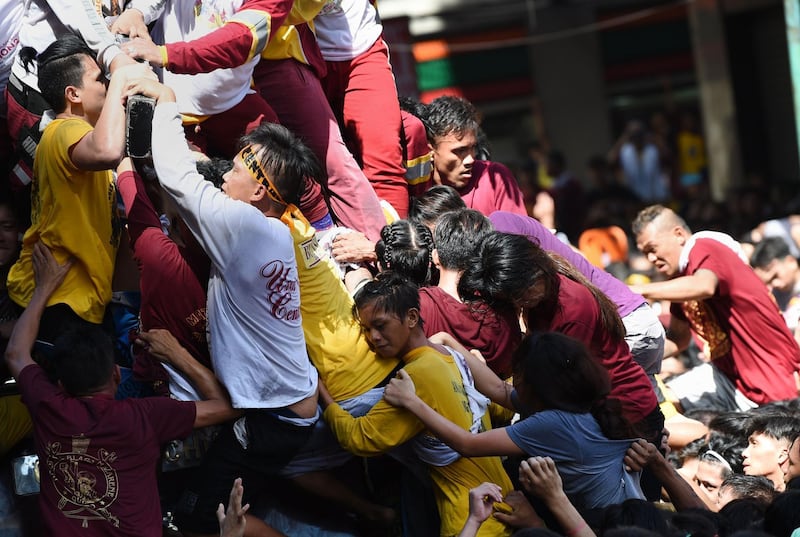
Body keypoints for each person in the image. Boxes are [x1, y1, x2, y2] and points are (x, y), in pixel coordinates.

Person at [134, 77, 319, 537]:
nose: (224, 174)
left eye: (236, 168)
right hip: (290, 407)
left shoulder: (243, 225)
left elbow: (179, 180)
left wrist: (168, 102)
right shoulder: (276, 230)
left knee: (204, 516)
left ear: (260, 191)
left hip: (273, 415)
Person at [5, 241, 236, 537]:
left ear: (60, 385)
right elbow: (226, 407)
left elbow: (16, 353)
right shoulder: (145, 415)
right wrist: (177, 354)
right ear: (116, 374)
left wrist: (43, 288)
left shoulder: (48, 406)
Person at [320, 272, 514, 537]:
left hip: (470, 522)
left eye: (380, 325)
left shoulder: (413, 380)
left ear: (411, 318)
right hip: (504, 509)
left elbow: (359, 438)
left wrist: (323, 393)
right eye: (366, 330)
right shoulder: (450, 356)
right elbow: (496, 407)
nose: (373, 337)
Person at [385, 331, 645, 512]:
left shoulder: (553, 424)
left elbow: (468, 444)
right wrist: (449, 344)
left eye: (518, 372)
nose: (513, 378)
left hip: (607, 522)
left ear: (534, 381)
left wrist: (412, 401)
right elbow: (500, 390)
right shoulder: (572, 404)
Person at [7, 36, 152, 341]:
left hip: (73, 300)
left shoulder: (80, 136)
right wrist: (123, 76)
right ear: (73, 94)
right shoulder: (65, 129)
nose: (108, 85)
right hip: (60, 301)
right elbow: (107, 151)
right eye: (101, 79)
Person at [458, 231, 661, 437]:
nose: (519, 302)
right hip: (599, 411)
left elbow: (557, 391)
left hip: (627, 414)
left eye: (520, 295)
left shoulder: (572, 308)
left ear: (536, 273)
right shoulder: (542, 295)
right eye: (513, 298)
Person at [630, 205, 800, 411]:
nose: (650, 259)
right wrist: (628, 359)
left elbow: (705, 286)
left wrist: (634, 291)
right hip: (728, 377)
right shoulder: (679, 281)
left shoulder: (704, 246)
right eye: (644, 253)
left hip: (773, 383)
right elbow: (678, 338)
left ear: (679, 235)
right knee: (661, 404)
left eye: (652, 248)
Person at [423, 95, 526, 217]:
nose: (470, 159)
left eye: (472, 148)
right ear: (430, 150)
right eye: (460, 151)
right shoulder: (417, 190)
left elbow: (518, 233)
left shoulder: (494, 178)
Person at [749, 237, 800, 342]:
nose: (774, 284)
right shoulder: (772, 299)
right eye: (767, 283)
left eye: (775, 276)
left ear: (791, 262)